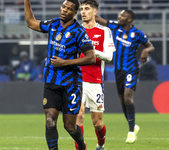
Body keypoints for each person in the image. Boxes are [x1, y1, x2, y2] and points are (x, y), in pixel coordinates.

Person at [24, 0, 96, 150]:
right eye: (63, 7)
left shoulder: (78, 31)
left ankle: (82, 145)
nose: (64, 10)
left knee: (69, 126)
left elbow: (91, 57)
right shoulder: (53, 24)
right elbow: (31, 23)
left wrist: (64, 62)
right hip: (51, 80)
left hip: (71, 84)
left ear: (74, 13)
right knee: (50, 120)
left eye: (69, 9)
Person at [95, 10, 155, 143]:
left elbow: (151, 46)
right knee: (122, 100)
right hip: (118, 70)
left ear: (129, 20)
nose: (119, 17)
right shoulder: (115, 26)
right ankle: (133, 125)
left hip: (131, 69)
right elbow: (99, 19)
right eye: (120, 15)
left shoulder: (137, 33)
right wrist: (89, 8)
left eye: (122, 16)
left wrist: (145, 50)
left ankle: (131, 132)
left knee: (128, 98)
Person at [73, 1, 116, 150]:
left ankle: (101, 145)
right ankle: (80, 147)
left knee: (97, 123)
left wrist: (92, 51)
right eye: (81, 9)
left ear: (95, 11)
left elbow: (109, 57)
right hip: (77, 80)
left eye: (87, 9)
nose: (83, 12)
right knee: (78, 116)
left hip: (95, 81)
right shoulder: (76, 30)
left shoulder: (104, 31)